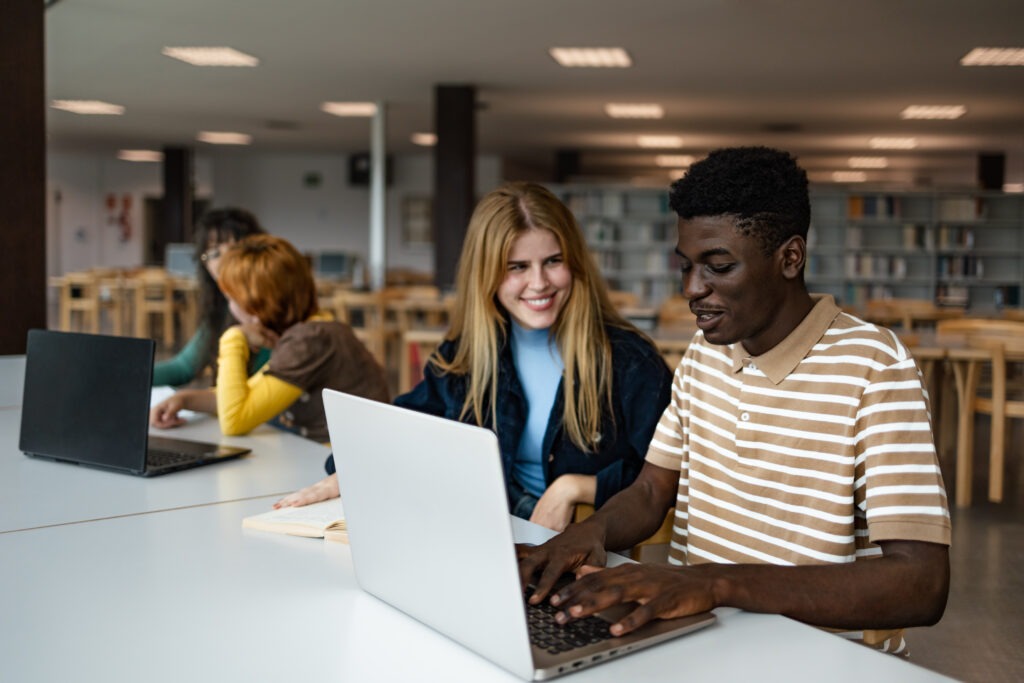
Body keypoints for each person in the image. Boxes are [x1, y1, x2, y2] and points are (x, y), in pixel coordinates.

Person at [518, 147, 951, 655]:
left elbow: (922, 584)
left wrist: (715, 584)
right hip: (696, 640)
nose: (692, 289)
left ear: (790, 258)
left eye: (718, 266)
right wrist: (589, 531)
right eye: (686, 266)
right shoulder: (704, 354)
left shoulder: (876, 366)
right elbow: (653, 491)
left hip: (814, 655)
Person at [275, 181, 673, 532]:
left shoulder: (628, 360)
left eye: (553, 261)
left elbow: (669, 475)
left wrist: (576, 486)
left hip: (580, 549)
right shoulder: (466, 354)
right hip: (483, 532)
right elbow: (408, 422)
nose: (539, 283)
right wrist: (353, 469)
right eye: (517, 267)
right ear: (486, 274)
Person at [150, 234, 389, 442]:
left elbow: (234, 420)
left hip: (336, 467)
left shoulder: (309, 340)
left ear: (256, 302)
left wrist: (233, 338)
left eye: (232, 299)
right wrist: (185, 399)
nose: (231, 308)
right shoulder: (310, 329)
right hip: (321, 458)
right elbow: (249, 396)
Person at [152, 207, 269, 387]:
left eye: (233, 248)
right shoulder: (220, 311)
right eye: (213, 253)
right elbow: (183, 367)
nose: (223, 260)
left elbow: (257, 397)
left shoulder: (277, 313)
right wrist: (130, 372)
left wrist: (189, 400)